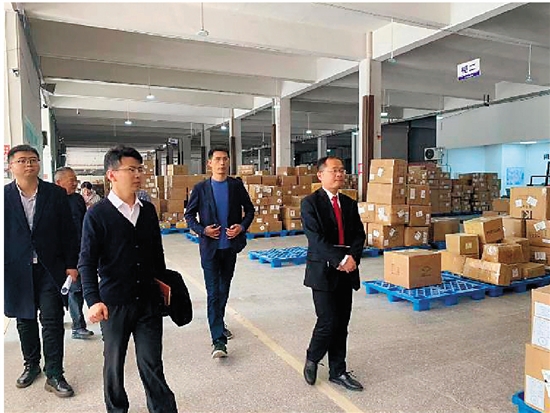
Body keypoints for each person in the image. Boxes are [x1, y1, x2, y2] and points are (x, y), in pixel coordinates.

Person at [78, 145, 177, 413]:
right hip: (114, 305)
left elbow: (157, 256)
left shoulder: (147, 211)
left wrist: (164, 292)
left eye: (139, 169)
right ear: (112, 174)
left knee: (152, 363)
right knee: (114, 365)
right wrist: (93, 300)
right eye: (131, 169)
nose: (137, 175)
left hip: (148, 302)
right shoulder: (97, 215)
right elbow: (86, 262)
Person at [4, 144, 79, 397]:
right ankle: (31, 365)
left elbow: (68, 232)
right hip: (17, 270)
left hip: (50, 268)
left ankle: (55, 373)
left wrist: (72, 265)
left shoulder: (55, 194)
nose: (29, 164)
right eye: (22, 160)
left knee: (52, 320)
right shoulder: (4, 197)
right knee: (24, 320)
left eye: (33, 160)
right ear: (10, 166)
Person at [300, 156, 366, 391]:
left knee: (342, 324)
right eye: (334, 170)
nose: (339, 174)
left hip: (347, 272)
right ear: (321, 175)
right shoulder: (310, 203)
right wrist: (339, 259)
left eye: (342, 171)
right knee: (327, 321)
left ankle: (338, 371)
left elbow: (359, 234)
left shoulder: (349, 203)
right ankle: (312, 357)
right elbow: (315, 238)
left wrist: (353, 258)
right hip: (323, 271)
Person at [184, 147, 254, 358]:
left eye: (225, 159)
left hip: (230, 248)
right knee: (214, 292)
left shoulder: (236, 186)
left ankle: (219, 322)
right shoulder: (201, 188)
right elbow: (189, 216)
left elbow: (250, 210)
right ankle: (218, 341)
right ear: (209, 163)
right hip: (210, 250)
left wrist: (241, 227)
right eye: (217, 159)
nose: (222, 163)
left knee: (224, 289)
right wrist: (203, 230)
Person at [54, 167, 95, 340]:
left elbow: (85, 223)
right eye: (71, 180)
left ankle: (77, 323)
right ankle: (77, 326)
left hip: (81, 250)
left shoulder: (77, 199)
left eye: (75, 180)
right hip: (61, 254)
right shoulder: (51, 201)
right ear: (59, 182)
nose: (75, 183)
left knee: (80, 288)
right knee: (73, 289)